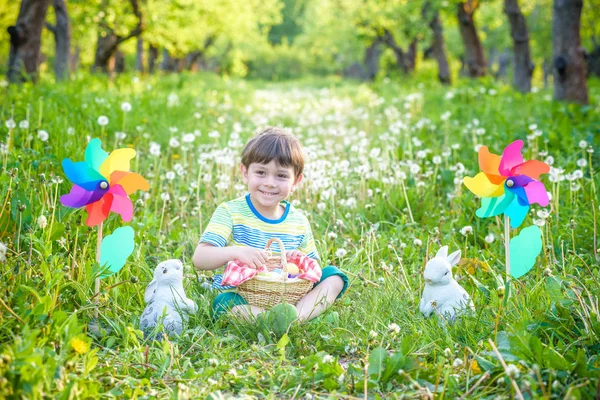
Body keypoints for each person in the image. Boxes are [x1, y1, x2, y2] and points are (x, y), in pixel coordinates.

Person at [193, 127, 348, 324]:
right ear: (245, 172)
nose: (270, 183)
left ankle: (295, 318)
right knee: (223, 303)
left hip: (289, 296)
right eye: (261, 172)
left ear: (296, 180)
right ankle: (271, 320)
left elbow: (313, 271)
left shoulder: (298, 221)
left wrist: (299, 259)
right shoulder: (230, 212)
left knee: (334, 277)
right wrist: (236, 252)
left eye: (281, 176)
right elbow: (200, 258)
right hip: (243, 297)